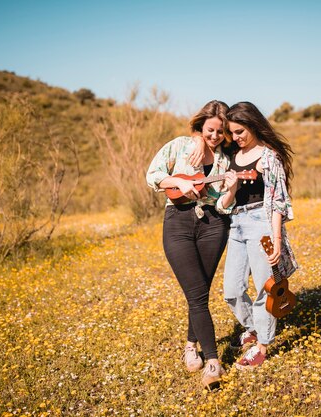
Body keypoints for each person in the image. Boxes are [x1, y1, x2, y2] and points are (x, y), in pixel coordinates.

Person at [146, 100, 237, 388]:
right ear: (200, 126)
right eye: (209, 130)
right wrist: (177, 181)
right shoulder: (180, 146)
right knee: (196, 294)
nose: (214, 136)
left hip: (213, 224)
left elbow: (223, 205)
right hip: (178, 221)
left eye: (220, 132)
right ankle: (213, 362)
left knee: (199, 292)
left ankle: (190, 345)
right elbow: (153, 175)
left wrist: (232, 187)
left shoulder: (226, 158)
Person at [221, 101, 298, 370]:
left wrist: (276, 240)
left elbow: (278, 201)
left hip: (261, 224)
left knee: (266, 288)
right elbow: (226, 197)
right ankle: (253, 328)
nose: (236, 137)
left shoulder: (269, 157)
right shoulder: (231, 156)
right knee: (231, 290)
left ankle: (262, 346)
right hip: (235, 223)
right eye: (232, 133)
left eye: (240, 131)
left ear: (253, 125)